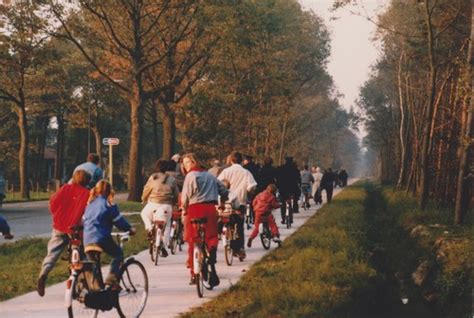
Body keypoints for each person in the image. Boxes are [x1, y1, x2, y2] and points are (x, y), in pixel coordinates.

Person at [37, 170, 91, 297]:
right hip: (75, 229)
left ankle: (44, 274)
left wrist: (56, 215)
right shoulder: (87, 193)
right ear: (87, 181)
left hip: (60, 225)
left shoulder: (65, 188)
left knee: (52, 253)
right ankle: (78, 282)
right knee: (79, 255)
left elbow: (53, 204)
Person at [181, 153, 228, 286]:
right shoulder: (210, 176)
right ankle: (211, 250)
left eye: (188, 162)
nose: (186, 166)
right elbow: (224, 191)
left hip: (194, 209)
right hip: (210, 209)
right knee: (212, 235)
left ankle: (193, 274)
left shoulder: (190, 176)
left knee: (193, 239)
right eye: (184, 163)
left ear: (195, 162)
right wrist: (223, 202)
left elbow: (185, 196)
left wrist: (184, 209)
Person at [83, 180, 136, 287]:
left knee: (95, 266)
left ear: (97, 191)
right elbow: (119, 222)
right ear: (109, 192)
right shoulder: (109, 205)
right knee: (118, 254)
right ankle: (111, 277)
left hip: (87, 239)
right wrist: (130, 229)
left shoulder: (89, 204)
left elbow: (84, 221)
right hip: (101, 238)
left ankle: (98, 291)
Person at [218, 151, 257, 260]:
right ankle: (240, 248)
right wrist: (249, 195)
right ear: (241, 161)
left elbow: (218, 184)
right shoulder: (246, 173)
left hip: (226, 203)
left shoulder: (225, 172)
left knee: (223, 219)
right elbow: (251, 188)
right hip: (240, 203)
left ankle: (220, 233)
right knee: (239, 226)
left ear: (231, 160)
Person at [140, 159, 179, 257]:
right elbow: (176, 194)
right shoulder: (172, 179)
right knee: (167, 225)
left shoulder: (153, 177)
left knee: (144, 214)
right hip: (166, 205)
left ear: (156, 167)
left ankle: (149, 228)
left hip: (153, 203)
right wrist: (174, 203)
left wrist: (143, 199)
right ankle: (164, 245)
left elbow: (146, 190)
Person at [276, 157, 301, 224]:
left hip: (283, 188)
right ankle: (290, 218)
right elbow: (298, 178)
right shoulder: (295, 169)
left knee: (283, 204)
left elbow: (278, 178)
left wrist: (278, 186)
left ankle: (283, 218)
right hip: (292, 188)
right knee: (290, 202)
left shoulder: (281, 168)